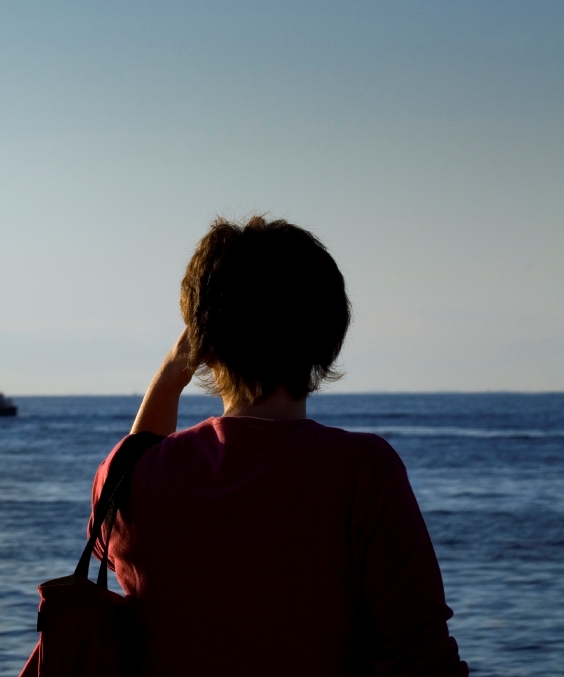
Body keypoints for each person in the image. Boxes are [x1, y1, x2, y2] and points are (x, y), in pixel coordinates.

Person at [94, 216, 467, 676]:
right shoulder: (362, 473)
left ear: (204, 344)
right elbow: (423, 657)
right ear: (327, 334)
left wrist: (172, 374)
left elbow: (119, 506)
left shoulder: (132, 477)